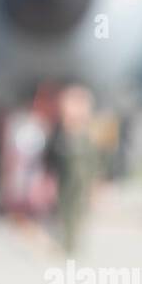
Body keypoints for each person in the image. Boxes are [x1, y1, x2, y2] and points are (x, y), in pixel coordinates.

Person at [44, 84, 99, 254]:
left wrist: (97, 181)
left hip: (81, 180)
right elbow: (51, 155)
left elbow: (94, 161)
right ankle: (67, 242)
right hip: (65, 180)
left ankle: (71, 242)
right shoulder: (60, 134)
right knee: (65, 209)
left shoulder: (87, 136)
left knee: (78, 210)